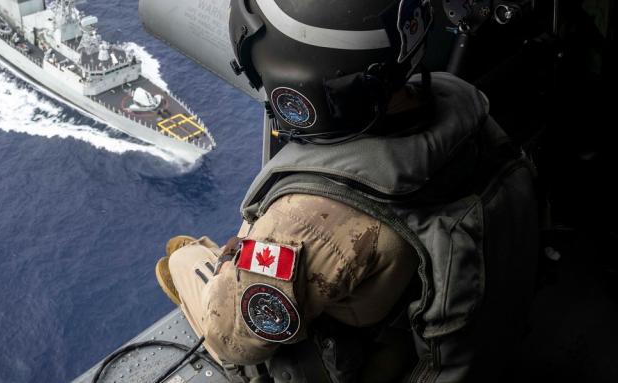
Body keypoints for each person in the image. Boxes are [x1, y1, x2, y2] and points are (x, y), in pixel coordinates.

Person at [156, 0, 539, 382]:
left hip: (383, 358)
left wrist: (224, 260)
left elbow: (230, 340)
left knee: (180, 260)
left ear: (295, 90)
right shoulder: (464, 109)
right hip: (476, 332)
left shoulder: (303, 221)